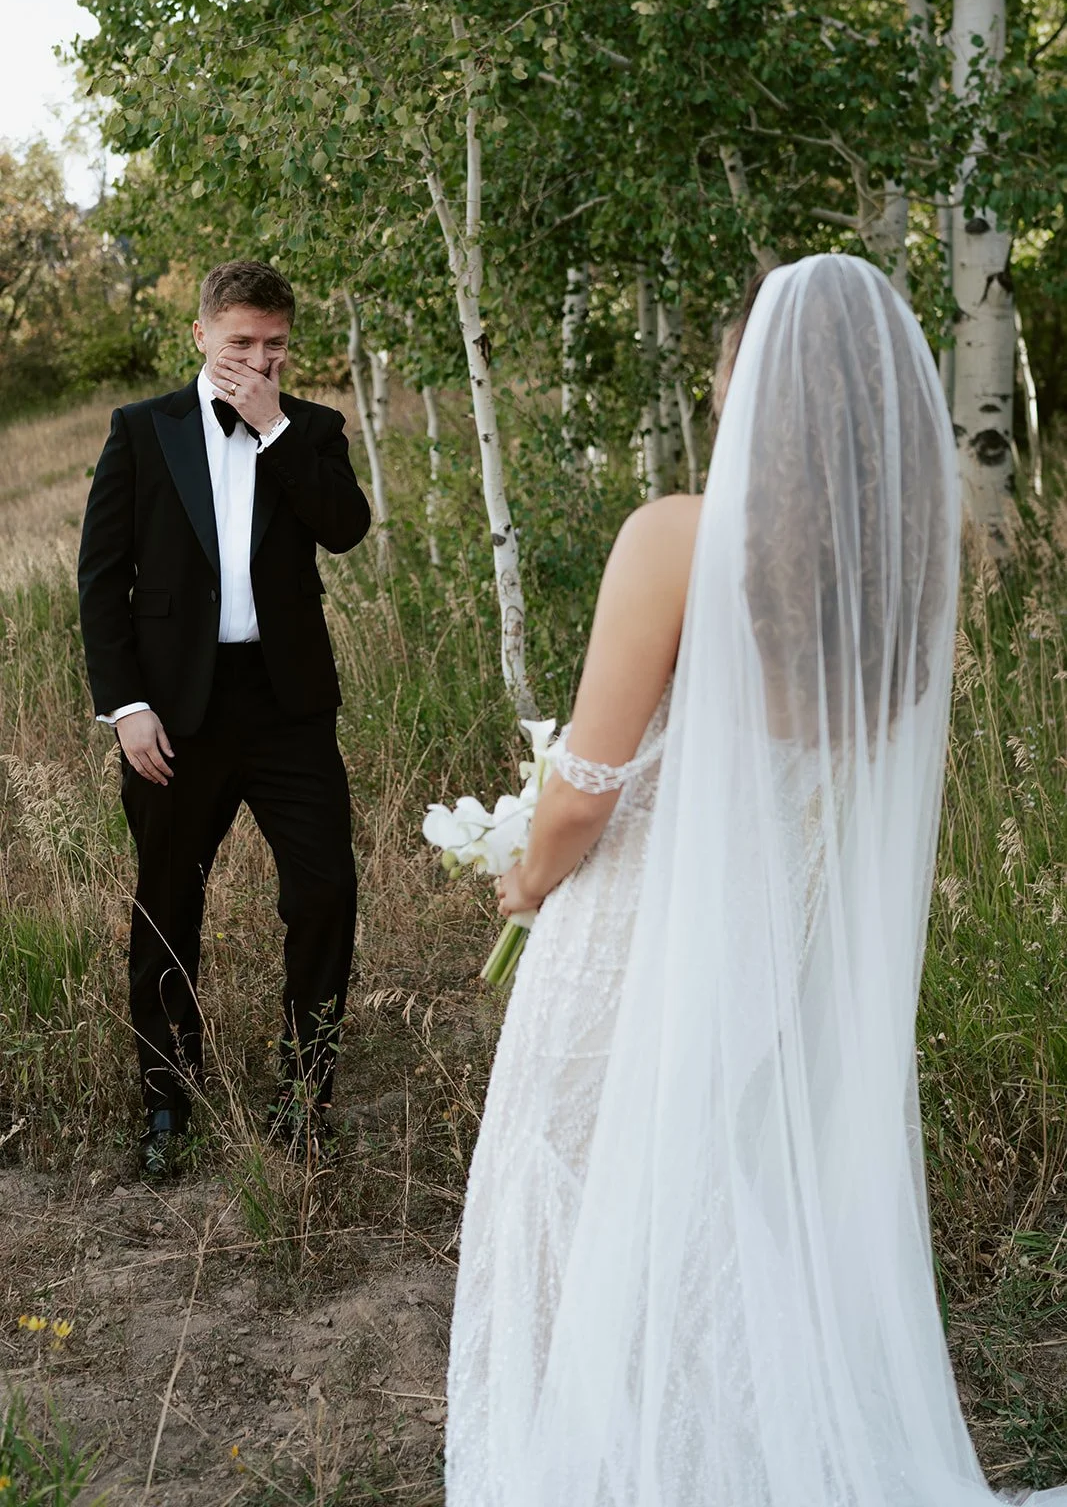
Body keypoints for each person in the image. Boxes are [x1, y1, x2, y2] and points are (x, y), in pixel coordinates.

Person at [445, 255, 1058, 1506]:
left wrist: (522, 874)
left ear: (748, 375)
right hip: (765, 959)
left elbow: (582, 790)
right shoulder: (902, 578)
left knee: (565, 1201)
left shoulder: (676, 535)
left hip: (625, 946)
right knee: (702, 1228)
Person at [78, 260, 372, 1176]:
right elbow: (100, 581)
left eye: (274, 346)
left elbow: (345, 527)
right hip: (174, 713)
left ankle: (303, 1095)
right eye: (240, 342)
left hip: (288, 708)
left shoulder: (312, 428)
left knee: (323, 893)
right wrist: (126, 707)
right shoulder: (142, 431)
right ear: (202, 335)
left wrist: (273, 428)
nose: (257, 359)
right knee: (168, 905)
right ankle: (167, 1103)